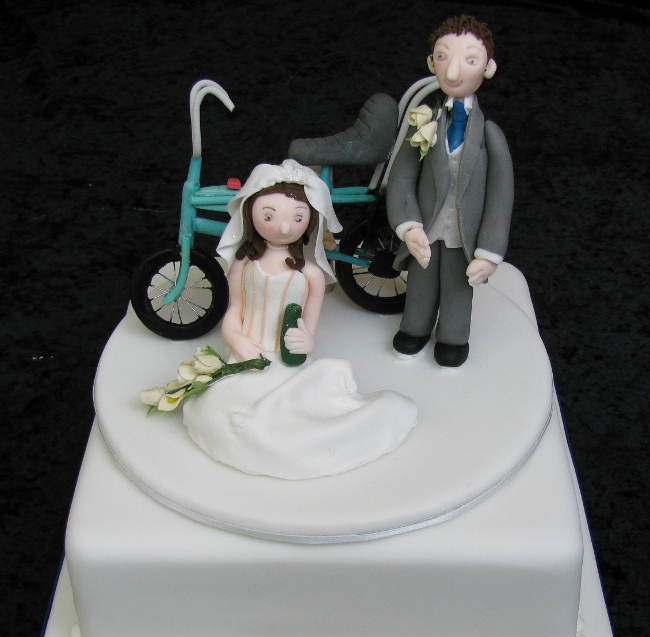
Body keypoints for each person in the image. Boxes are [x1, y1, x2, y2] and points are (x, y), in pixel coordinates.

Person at [183, 160, 417, 480]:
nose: (284, 228)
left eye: (297, 217)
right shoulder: (243, 264)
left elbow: (309, 325)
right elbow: (234, 310)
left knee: (291, 423)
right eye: (269, 216)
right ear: (250, 214)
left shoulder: (311, 275)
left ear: (310, 221)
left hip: (287, 360)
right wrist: (236, 338)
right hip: (247, 353)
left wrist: (307, 340)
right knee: (220, 413)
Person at [387, 15, 514, 367]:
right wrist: (408, 225)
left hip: (465, 234)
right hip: (427, 228)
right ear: (432, 63)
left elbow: (501, 197)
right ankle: (415, 328)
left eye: (470, 59)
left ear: (488, 68)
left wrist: (489, 252)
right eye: (443, 57)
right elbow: (401, 177)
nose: (454, 71)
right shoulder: (423, 123)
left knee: (459, 286)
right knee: (421, 283)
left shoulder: (489, 135)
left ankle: (453, 337)